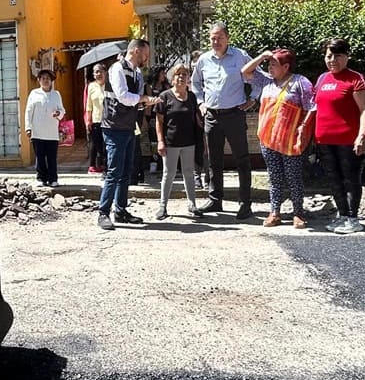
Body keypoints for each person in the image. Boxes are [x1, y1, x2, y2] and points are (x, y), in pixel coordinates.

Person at [191, 22, 257, 219]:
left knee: (242, 160)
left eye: (219, 37)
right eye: (212, 38)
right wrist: (201, 103)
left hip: (234, 115)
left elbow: (258, 77)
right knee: (213, 160)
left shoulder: (240, 56)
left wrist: (253, 97)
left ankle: (245, 203)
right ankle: (215, 199)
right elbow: (195, 83)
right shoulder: (203, 59)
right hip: (212, 116)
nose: (215, 41)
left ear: (227, 37)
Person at [243, 48, 315, 228]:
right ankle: (275, 212)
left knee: (293, 177)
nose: (269, 67)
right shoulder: (267, 81)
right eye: (269, 64)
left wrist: (303, 129)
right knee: (274, 177)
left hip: (291, 140)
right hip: (268, 139)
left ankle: (298, 213)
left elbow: (311, 108)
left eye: (273, 64)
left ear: (286, 66)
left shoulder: (300, 82)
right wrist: (262, 57)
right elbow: (245, 72)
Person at [97, 39, 161, 230]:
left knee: (126, 171)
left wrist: (146, 102)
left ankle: (121, 210)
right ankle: (103, 213)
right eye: (144, 53)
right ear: (134, 51)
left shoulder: (137, 72)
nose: (146, 57)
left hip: (127, 126)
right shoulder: (116, 69)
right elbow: (123, 96)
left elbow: (136, 100)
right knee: (114, 171)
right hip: (113, 126)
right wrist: (143, 99)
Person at [312, 38, 365, 235]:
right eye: (329, 56)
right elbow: (316, 107)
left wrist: (361, 135)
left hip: (349, 140)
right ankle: (342, 215)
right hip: (325, 140)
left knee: (350, 178)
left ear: (347, 56)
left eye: (338, 56)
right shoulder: (322, 79)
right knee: (334, 179)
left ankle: (353, 218)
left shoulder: (356, 78)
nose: (333, 60)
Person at [154, 64, 203, 220]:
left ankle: (192, 205)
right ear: (172, 78)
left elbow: (196, 120)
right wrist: (160, 141)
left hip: (189, 142)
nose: (181, 77)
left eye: (184, 74)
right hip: (170, 143)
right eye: (177, 74)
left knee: (189, 173)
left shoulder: (192, 97)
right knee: (168, 174)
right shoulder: (164, 96)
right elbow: (159, 122)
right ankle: (163, 207)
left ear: (188, 78)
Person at [24, 68, 65, 187]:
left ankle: (53, 178)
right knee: (40, 157)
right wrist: (28, 127)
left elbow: (62, 110)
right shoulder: (34, 94)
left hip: (52, 132)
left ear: (51, 80)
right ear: (39, 80)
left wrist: (59, 113)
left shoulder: (56, 94)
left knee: (52, 158)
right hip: (37, 131)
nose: (45, 80)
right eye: (43, 78)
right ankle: (41, 178)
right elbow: (28, 111)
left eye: (47, 78)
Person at [84, 63, 108, 174]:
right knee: (97, 144)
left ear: (105, 72)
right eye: (96, 72)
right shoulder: (91, 86)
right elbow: (89, 105)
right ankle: (98, 165)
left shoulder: (110, 85)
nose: (98, 74)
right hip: (96, 120)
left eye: (100, 71)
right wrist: (88, 120)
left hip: (109, 120)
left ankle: (106, 167)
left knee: (106, 145)